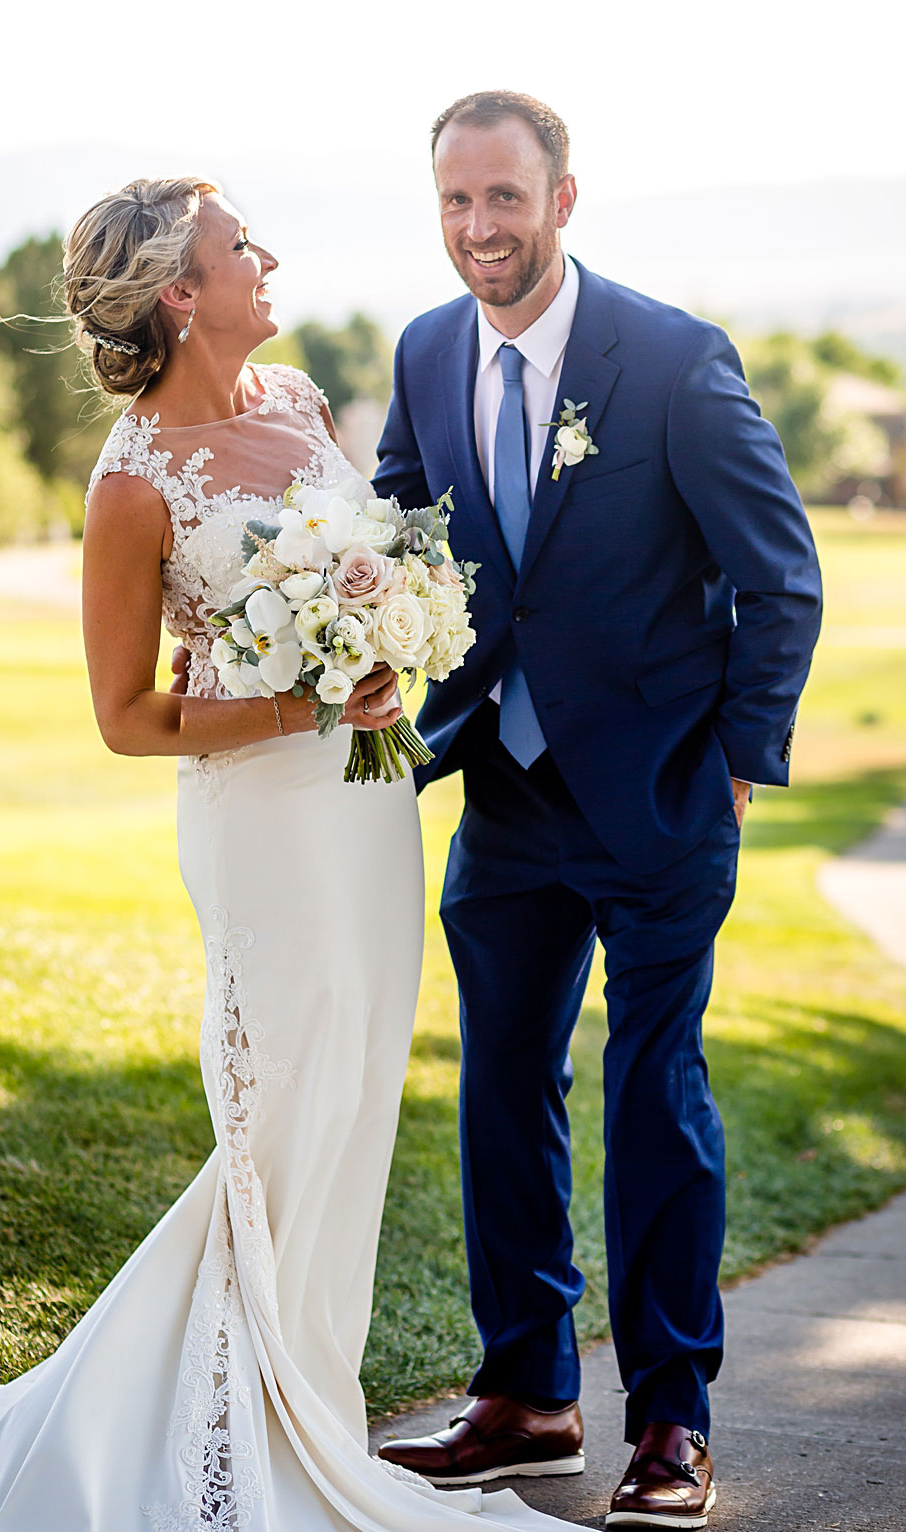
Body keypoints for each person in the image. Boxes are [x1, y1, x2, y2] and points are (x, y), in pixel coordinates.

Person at [0, 176, 577, 1532]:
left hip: (368, 798)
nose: (269, 255)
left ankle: (305, 1400)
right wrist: (302, 698)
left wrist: (389, 641)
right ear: (181, 294)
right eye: (238, 243)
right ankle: (226, 1441)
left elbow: (367, 568)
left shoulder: (305, 404)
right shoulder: (133, 484)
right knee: (277, 1114)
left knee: (362, 1088)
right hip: (260, 821)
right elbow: (126, 717)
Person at [372, 91, 821, 1531]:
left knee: (654, 1094)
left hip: (658, 800)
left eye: (503, 199)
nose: (477, 230)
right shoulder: (428, 350)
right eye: (454, 202)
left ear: (565, 199)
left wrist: (741, 756)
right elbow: (400, 516)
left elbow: (781, 575)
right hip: (499, 792)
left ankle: (672, 1422)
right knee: (501, 1091)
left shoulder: (674, 362)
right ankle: (528, 1394)